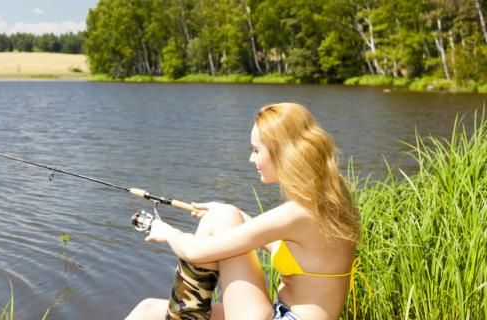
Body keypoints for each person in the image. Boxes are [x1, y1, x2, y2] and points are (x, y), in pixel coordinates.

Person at [125, 103, 363, 320]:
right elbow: (277, 244)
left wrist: (164, 230)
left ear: (282, 152)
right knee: (148, 310)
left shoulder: (298, 213)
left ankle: (187, 314)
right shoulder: (327, 200)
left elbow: (194, 251)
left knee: (222, 216)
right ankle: (186, 312)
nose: (251, 158)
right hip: (280, 314)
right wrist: (233, 211)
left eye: (256, 150)